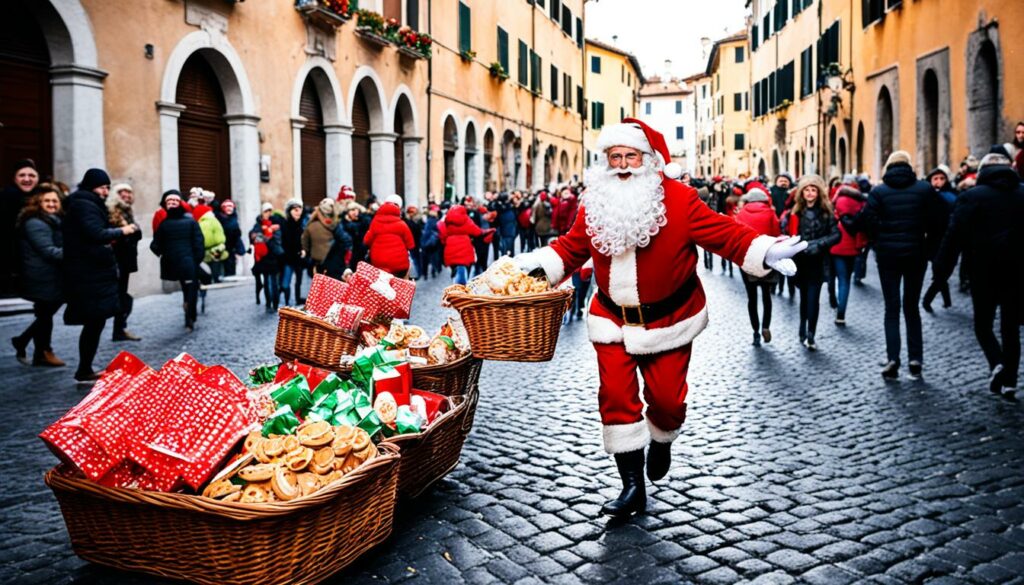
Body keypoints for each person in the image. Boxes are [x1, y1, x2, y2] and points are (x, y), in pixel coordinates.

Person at [511, 120, 805, 518]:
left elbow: (722, 233)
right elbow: (571, 247)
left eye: (630, 156)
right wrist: (534, 268)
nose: (622, 165)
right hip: (611, 319)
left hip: (670, 320)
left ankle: (662, 438)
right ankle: (632, 486)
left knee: (667, 401)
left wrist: (764, 251)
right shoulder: (596, 200)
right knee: (615, 398)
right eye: (614, 157)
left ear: (648, 160)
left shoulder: (679, 199)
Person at [843, 151, 945, 380]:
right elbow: (940, 221)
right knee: (911, 307)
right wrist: (928, 248)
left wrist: (878, 239)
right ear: (908, 167)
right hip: (916, 255)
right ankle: (915, 358)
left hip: (888, 257)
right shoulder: (924, 190)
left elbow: (866, 220)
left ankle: (893, 359)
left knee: (892, 308)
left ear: (888, 167)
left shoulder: (879, 192)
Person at [932, 153, 1022, 399]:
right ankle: (1010, 381)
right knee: (1010, 328)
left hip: (983, 270)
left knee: (983, 325)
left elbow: (954, 236)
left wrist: (941, 269)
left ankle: (997, 363)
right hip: (1016, 271)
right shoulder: (1021, 193)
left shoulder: (972, 197)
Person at [62, 168, 138, 382]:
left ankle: (85, 367)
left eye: (107, 187)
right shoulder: (84, 205)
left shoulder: (86, 203)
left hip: (92, 271)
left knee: (96, 320)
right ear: (91, 186)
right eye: (103, 187)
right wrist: (123, 231)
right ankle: (84, 368)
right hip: (89, 272)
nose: (106, 192)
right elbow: (95, 234)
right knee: (94, 321)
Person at [783, 175, 840, 351]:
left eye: (813, 190)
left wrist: (818, 244)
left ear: (818, 192)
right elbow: (788, 232)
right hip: (800, 261)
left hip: (818, 261)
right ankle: (802, 326)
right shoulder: (795, 211)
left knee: (813, 299)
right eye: (807, 190)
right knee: (804, 298)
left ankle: (811, 334)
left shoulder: (826, 211)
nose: (810, 193)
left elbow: (836, 234)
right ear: (802, 193)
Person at [11, 185, 65, 366]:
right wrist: (76, 252)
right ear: (38, 203)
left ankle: (28, 344)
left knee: (45, 314)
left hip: (50, 275)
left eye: (55, 201)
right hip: (40, 276)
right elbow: (49, 251)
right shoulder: (35, 223)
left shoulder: (52, 220)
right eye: (47, 201)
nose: (51, 204)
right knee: (45, 314)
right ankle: (43, 351)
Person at [150, 190, 205, 331]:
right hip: (188, 263)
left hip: (174, 263)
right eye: (169, 201)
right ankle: (190, 317)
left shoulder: (164, 224)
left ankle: (189, 315)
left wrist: (166, 254)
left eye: (175, 200)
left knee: (187, 288)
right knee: (190, 289)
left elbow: (155, 246)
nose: (172, 203)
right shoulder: (190, 221)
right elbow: (199, 243)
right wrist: (195, 260)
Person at [734, 188, 781, 346]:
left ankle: (755, 332)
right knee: (767, 296)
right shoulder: (770, 213)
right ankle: (765, 326)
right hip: (766, 259)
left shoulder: (740, 214)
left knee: (752, 298)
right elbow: (776, 234)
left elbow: (736, 237)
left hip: (748, 260)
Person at [105, 183, 143, 341]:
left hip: (126, 260)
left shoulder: (127, 211)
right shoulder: (112, 211)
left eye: (129, 192)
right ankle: (118, 328)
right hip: (115, 260)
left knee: (123, 296)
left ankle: (119, 329)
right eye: (123, 192)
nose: (127, 195)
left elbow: (137, 233)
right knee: (122, 297)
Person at [829, 185, 867, 326]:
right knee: (845, 281)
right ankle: (841, 314)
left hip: (836, 245)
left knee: (834, 276)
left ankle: (833, 299)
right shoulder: (860, 203)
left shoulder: (837, 201)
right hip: (852, 247)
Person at [2, 159, 40, 295]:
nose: (27, 179)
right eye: (22, 175)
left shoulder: (41, 198)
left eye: (32, 175)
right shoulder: (7, 197)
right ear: (14, 178)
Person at [921, 166, 957, 313]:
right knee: (939, 272)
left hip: (950, 239)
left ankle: (935, 300)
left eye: (942, 178)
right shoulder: (927, 196)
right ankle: (933, 300)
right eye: (935, 179)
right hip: (933, 240)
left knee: (943, 272)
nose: (939, 181)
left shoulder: (952, 195)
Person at [364, 195, 415, 278]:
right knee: (398, 285)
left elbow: (366, 240)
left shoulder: (374, 223)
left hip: (378, 263)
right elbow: (411, 245)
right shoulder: (402, 224)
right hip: (398, 264)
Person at [250, 203, 284, 313]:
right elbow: (254, 237)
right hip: (263, 258)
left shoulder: (276, 224)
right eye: (265, 211)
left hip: (273, 257)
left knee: (274, 282)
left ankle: (275, 303)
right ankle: (268, 302)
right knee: (267, 282)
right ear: (262, 212)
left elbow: (277, 240)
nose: (268, 213)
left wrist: (265, 235)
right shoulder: (258, 225)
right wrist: (267, 234)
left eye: (269, 211)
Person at [440, 204, 483, 285]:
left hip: (450, 248)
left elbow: (442, 235)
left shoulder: (446, 220)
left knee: (455, 268)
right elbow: (477, 232)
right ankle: (461, 288)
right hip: (465, 249)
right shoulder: (466, 220)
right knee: (464, 270)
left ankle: (455, 275)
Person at [280, 199, 307, 305]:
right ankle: (287, 301)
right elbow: (284, 242)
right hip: (288, 258)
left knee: (299, 281)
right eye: (295, 210)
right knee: (286, 283)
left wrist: (303, 250)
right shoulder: (284, 225)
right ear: (289, 211)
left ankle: (297, 298)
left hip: (298, 258)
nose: (298, 212)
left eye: (300, 210)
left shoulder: (301, 225)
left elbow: (303, 241)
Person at [215, 200, 245, 277]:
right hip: (225, 243)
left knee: (231, 262)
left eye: (230, 207)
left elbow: (237, 232)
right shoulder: (220, 218)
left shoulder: (234, 217)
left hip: (233, 244)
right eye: (226, 207)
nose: (229, 209)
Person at [341, 202, 369, 270]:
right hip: (348, 255)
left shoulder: (363, 221)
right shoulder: (343, 223)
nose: (355, 212)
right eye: (352, 210)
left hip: (359, 254)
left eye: (357, 210)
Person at [420, 205, 442, 279]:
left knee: (427, 259)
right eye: (435, 211)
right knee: (432, 258)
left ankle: (426, 274)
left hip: (427, 241)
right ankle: (432, 272)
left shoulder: (427, 219)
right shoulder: (433, 220)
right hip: (431, 242)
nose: (437, 212)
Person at [403, 205, 424, 278]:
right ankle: (417, 273)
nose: (412, 214)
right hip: (412, 244)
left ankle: (418, 273)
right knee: (414, 259)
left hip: (415, 243)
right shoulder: (408, 222)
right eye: (410, 213)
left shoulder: (415, 221)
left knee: (415, 259)